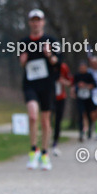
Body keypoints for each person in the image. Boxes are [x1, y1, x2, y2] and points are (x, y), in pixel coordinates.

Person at [18, 10, 61, 170]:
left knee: (45, 120)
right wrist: (22, 62)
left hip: (47, 85)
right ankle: (33, 150)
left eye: (38, 20)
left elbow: (58, 62)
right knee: (32, 115)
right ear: (29, 23)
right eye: (33, 20)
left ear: (43, 22)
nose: (35, 23)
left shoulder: (51, 40)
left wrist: (50, 55)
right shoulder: (23, 42)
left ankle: (45, 153)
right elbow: (22, 62)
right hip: (30, 84)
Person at [73, 60, 97, 140]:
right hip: (80, 98)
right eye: (81, 68)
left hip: (88, 97)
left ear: (86, 68)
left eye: (84, 68)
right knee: (80, 114)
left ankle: (90, 130)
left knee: (88, 114)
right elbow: (73, 86)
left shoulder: (89, 75)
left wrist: (85, 85)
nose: (82, 69)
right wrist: (77, 87)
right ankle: (81, 132)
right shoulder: (77, 76)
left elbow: (95, 85)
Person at [52, 60, 73, 155]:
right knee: (48, 119)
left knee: (58, 120)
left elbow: (70, 82)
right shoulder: (45, 64)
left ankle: (55, 142)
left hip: (60, 97)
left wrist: (63, 81)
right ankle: (46, 139)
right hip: (49, 97)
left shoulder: (63, 67)